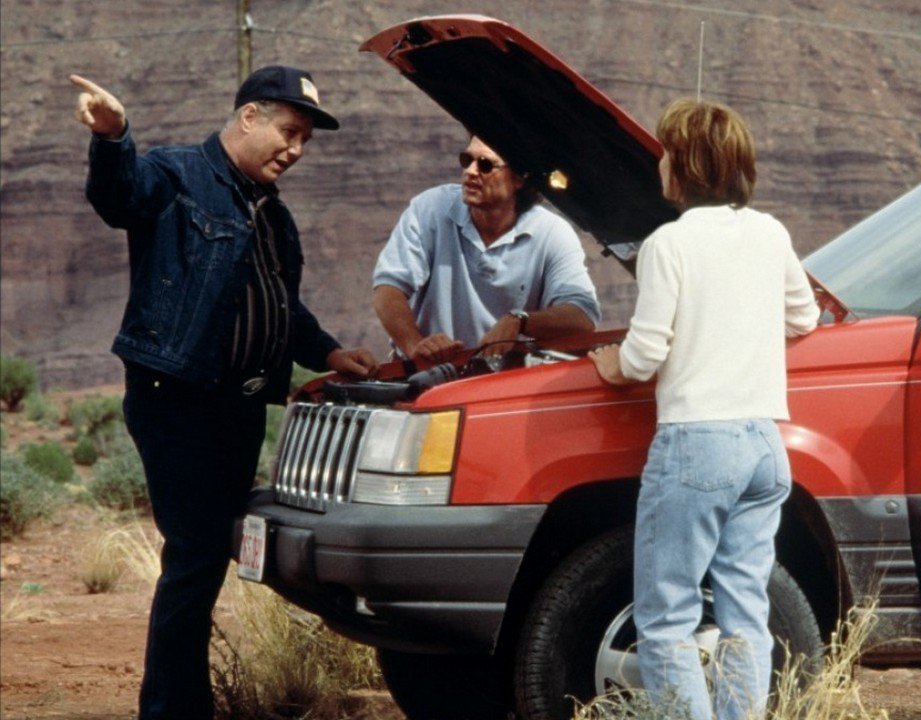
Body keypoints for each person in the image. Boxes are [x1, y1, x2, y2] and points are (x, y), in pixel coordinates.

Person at [70, 66, 378, 720]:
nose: (295, 149)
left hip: (238, 407)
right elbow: (120, 196)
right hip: (176, 399)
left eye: (305, 140)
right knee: (196, 554)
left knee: (213, 555)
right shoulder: (177, 174)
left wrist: (328, 353)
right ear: (249, 117)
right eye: (289, 131)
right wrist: (113, 136)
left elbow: (279, 305)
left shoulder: (272, 213)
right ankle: (172, 709)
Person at [590, 99, 819, 720]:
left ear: (686, 166)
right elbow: (804, 317)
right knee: (745, 613)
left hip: (696, 443)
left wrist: (610, 365)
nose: (659, 163)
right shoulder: (770, 233)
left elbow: (644, 355)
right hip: (764, 444)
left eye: (666, 153)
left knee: (666, 617)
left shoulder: (668, 244)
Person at [372, 135, 600, 365]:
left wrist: (519, 321)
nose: (470, 171)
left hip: (503, 379)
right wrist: (416, 346)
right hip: (428, 372)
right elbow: (388, 289)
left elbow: (583, 314)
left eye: (485, 165)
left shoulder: (552, 233)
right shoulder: (430, 208)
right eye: (467, 160)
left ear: (519, 178)